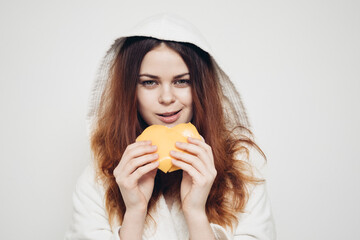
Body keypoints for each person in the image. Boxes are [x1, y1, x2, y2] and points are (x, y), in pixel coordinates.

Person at [65, 14, 276, 240]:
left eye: (182, 81)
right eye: (149, 82)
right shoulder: (96, 182)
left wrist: (195, 213)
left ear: (201, 88)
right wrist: (135, 212)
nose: (167, 98)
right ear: (130, 92)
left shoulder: (244, 177)